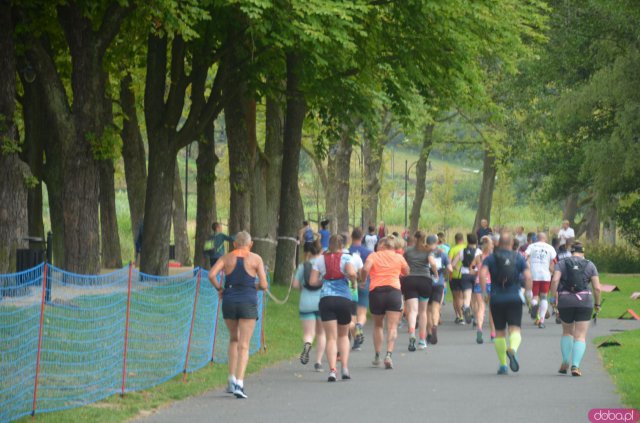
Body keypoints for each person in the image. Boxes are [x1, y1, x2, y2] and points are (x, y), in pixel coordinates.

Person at [208, 231, 268, 398]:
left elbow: (211, 274)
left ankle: (231, 379)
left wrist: (220, 289)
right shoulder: (256, 259)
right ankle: (239, 384)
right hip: (248, 302)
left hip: (229, 301)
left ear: (234, 244)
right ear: (251, 244)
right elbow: (263, 284)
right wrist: (255, 286)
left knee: (234, 339)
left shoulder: (226, 258)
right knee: (244, 344)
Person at [479, 231, 532, 375]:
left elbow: (482, 274)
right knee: (515, 329)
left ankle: (503, 365)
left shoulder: (491, 258)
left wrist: (484, 292)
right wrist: (529, 294)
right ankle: (513, 349)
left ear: (499, 243)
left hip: (496, 298)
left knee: (500, 332)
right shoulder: (518, 257)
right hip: (514, 297)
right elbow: (528, 276)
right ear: (511, 243)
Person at [308, 235, 357, 382]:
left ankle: (332, 370)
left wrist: (323, 281)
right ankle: (345, 368)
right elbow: (353, 273)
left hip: (326, 300)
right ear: (342, 245)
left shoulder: (320, 259)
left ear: (328, 245)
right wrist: (352, 280)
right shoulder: (346, 258)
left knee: (330, 337)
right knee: (343, 336)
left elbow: (312, 281)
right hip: (343, 300)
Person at [549, 242, 601, 376]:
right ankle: (575, 365)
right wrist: (597, 304)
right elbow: (597, 288)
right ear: (583, 253)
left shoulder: (562, 263)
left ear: (572, 252)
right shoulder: (590, 264)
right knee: (580, 336)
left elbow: (555, 281)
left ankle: (565, 360)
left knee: (567, 332)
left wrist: (553, 299)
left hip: (565, 301)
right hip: (585, 301)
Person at [361, 235, 410, 369]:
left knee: (378, 325)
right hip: (393, 292)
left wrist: (363, 280)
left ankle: (377, 355)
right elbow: (406, 271)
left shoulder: (373, 256)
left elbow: (365, 269)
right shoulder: (399, 257)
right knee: (392, 326)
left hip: (376, 292)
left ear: (382, 246)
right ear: (392, 246)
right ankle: (388, 354)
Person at [292, 239, 326, 372]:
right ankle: (318, 362)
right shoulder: (324, 266)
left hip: (306, 301)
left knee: (309, 333)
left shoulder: (303, 266)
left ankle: (307, 344)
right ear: (321, 251)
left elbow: (295, 285)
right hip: (322, 301)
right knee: (322, 333)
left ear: (309, 252)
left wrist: (303, 287)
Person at [402, 231, 437, 351]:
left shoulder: (408, 250)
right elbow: (432, 263)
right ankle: (422, 340)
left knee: (412, 311)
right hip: (424, 281)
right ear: (424, 239)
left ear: (414, 238)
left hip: (410, 280)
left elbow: (403, 264)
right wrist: (436, 274)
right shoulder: (428, 250)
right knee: (423, 312)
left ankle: (412, 333)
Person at [525, 232, 557, 328]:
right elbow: (554, 261)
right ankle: (541, 320)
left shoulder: (532, 246)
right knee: (544, 297)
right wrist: (553, 271)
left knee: (534, 296)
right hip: (545, 275)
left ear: (537, 238)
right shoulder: (550, 248)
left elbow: (524, 256)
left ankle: (535, 307)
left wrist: (528, 266)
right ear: (546, 239)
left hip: (534, 274)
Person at [348, 228, 372, 350]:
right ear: (362, 237)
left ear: (352, 237)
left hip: (350, 284)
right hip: (364, 283)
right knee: (361, 312)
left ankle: (355, 340)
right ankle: (359, 325)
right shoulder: (367, 252)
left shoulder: (347, 251)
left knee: (352, 312)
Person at [427, 235, 452, 345]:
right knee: (436, 308)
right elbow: (450, 268)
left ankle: (428, 333)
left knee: (427, 310)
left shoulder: (425, 254)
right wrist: (445, 275)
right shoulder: (443, 254)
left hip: (427, 283)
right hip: (439, 283)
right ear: (437, 243)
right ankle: (435, 327)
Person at [451, 234, 481, 324]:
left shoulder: (461, 251)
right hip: (475, 274)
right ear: (476, 241)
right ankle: (476, 318)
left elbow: (453, 264)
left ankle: (466, 307)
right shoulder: (478, 251)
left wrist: (459, 268)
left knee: (467, 297)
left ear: (467, 241)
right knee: (475, 299)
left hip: (465, 275)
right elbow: (480, 264)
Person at [470, 236, 495, 344]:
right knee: (492, 310)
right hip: (491, 284)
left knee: (481, 307)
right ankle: (493, 334)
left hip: (479, 283)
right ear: (491, 246)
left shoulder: (478, 257)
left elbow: (471, 269)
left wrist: (476, 272)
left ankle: (479, 328)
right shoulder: (493, 257)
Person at [448, 233, 466, 324]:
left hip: (454, 276)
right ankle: (463, 312)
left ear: (455, 240)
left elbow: (449, 262)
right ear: (463, 239)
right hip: (465, 275)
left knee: (456, 298)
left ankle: (459, 316)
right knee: (463, 296)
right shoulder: (466, 248)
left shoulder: (453, 249)